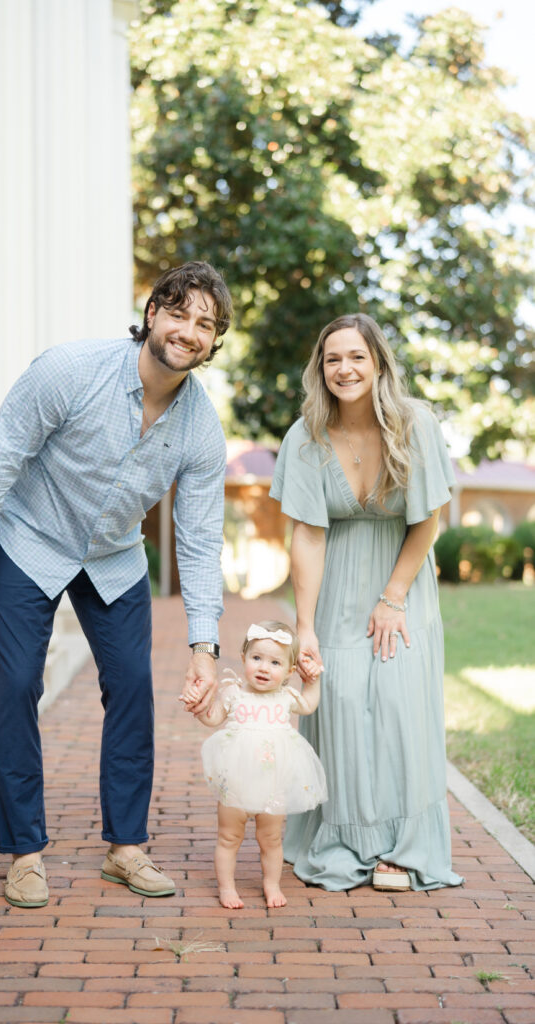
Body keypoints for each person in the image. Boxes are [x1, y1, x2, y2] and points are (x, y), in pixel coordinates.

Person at [0, 261, 233, 907]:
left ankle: (125, 848)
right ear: (153, 312)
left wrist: (204, 647)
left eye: (204, 325)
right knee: (15, 686)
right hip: (28, 540)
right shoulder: (68, 371)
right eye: (179, 313)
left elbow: (201, 539)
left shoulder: (200, 429)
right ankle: (24, 852)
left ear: (213, 343)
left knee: (131, 690)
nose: (188, 330)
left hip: (113, 558)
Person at [269, 312, 464, 893]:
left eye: (356, 356)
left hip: (401, 581)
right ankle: (348, 837)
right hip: (336, 584)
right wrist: (303, 625)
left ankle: (405, 848)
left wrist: (394, 597)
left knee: (401, 708)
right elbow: (306, 533)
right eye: (333, 359)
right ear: (319, 368)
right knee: (344, 702)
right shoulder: (305, 436)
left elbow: (429, 517)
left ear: (377, 362)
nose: (344, 368)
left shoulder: (415, 424)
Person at [180, 621, 327, 908]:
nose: (263, 667)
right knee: (228, 837)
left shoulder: (285, 697)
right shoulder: (234, 693)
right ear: (244, 657)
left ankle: (271, 885)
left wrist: (314, 681)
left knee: (271, 839)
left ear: (289, 671)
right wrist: (198, 707)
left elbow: (309, 704)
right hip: (235, 783)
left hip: (272, 785)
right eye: (256, 658)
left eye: (275, 662)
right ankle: (226, 888)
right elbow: (213, 718)